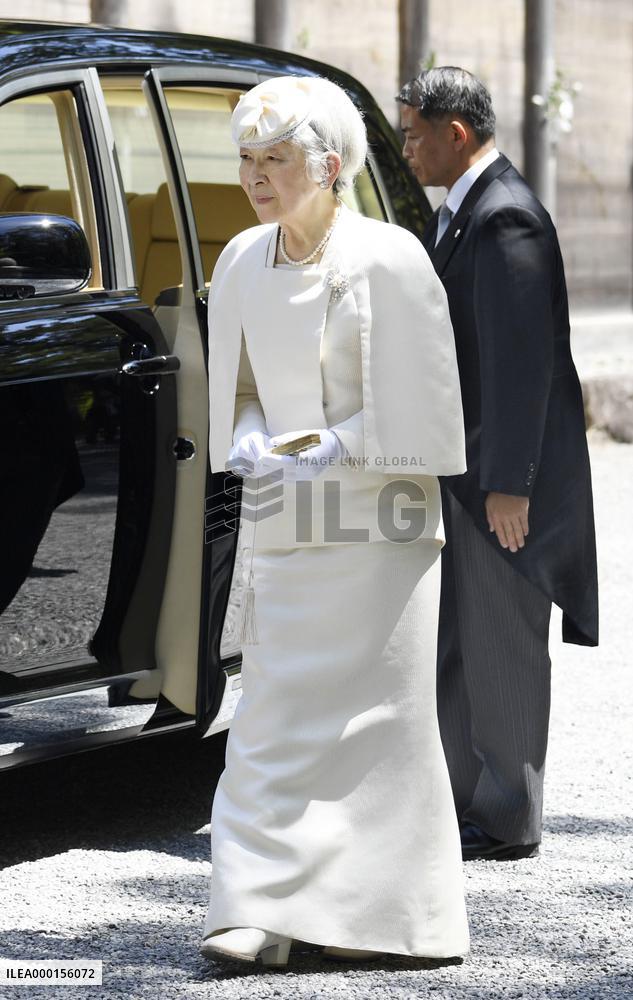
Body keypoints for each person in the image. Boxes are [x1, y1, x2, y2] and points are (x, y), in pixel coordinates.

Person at [200, 74, 470, 966]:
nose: (255, 175)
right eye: (247, 158)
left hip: (381, 526)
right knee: (268, 716)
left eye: (275, 158)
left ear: (327, 166)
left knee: (380, 727)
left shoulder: (390, 257)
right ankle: (254, 907)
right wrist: (248, 435)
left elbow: (426, 404)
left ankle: (388, 918)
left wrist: (337, 445)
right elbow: (240, 385)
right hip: (285, 512)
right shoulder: (242, 259)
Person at [397, 67, 598, 861]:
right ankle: (458, 801)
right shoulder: (462, 209)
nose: (405, 150)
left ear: (455, 134)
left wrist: (509, 486)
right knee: (454, 641)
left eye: (412, 135)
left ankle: (509, 816)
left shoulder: (505, 215)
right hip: (463, 470)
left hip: (499, 483)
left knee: (501, 645)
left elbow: (523, 366)